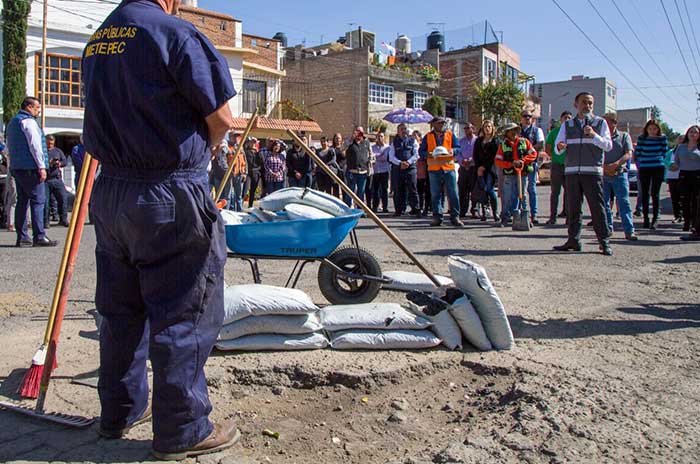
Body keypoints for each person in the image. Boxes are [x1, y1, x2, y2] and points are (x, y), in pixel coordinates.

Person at [81, 0, 239, 459]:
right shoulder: (175, 34)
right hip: (167, 189)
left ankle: (120, 412)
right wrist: (202, 158)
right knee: (183, 309)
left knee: (120, 310)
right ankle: (184, 429)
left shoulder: (99, 41)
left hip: (111, 192)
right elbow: (223, 117)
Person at [553, 92, 613, 256]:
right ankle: (573, 240)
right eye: (584, 102)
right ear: (576, 104)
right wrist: (560, 147)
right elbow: (557, 148)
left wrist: (594, 135)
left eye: (590, 103)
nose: (587, 106)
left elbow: (608, 146)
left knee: (597, 208)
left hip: (592, 172)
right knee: (573, 208)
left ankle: (604, 241)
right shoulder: (568, 125)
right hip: (572, 172)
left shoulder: (600, 123)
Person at [6, 97, 57, 247]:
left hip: (17, 168)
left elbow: (9, 148)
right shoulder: (28, 122)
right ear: (28, 107)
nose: (38, 110)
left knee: (22, 202)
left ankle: (22, 237)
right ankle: (39, 235)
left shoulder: (12, 123)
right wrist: (42, 167)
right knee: (38, 201)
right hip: (31, 168)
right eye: (37, 107)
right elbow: (36, 147)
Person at [419, 116, 463, 227]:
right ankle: (437, 217)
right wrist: (427, 154)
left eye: (443, 123)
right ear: (433, 124)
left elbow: (458, 148)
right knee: (435, 195)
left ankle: (455, 217)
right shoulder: (428, 136)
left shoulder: (450, 134)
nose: (442, 125)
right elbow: (421, 151)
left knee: (453, 194)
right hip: (434, 169)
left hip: (448, 168)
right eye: (439, 123)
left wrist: (453, 150)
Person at [602, 113, 637, 241]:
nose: (604, 125)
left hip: (620, 173)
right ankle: (608, 228)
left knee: (624, 202)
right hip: (603, 174)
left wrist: (615, 164)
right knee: (604, 203)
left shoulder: (623, 136)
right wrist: (605, 167)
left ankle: (629, 230)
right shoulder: (600, 137)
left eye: (607, 122)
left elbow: (628, 154)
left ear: (614, 123)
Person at [494, 122, 537, 226]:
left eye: (514, 130)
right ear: (507, 133)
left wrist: (523, 160)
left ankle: (526, 217)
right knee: (507, 196)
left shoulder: (525, 142)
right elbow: (498, 161)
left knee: (523, 195)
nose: (513, 132)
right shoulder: (503, 145)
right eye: (510, 131)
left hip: (522, 173)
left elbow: (534, 154)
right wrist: (510, 164)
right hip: (509, 174)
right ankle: (505, 218)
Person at [634, 120, 668, 229]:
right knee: (644, 193)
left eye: (655, 129)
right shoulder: (642, 138)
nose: (652, 131)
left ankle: (655, 218)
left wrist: (657, 159)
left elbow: (664, 151)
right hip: (645, 167)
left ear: (658, 129)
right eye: (650, 129)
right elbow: (638, 152)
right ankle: (646, 218)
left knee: (655, 193)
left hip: (658, 166)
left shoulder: (662, 138)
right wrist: (641, 162)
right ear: (646, 129)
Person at [671, 125, 700, 240]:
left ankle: (695, 224)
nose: (693, 134)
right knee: (685, 200)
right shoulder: (681, 147)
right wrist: (673, 166)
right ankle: (686, 222)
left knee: (696, 201)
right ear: (687, 134)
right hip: (684, 175)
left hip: (697, 175)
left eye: (696, 132)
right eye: (691, 132)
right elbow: (676, 162)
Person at [545, 111, 572, 224]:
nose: (567, 119)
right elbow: (548, 148)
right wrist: (555, 158)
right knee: (555, 192)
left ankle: (568, 216)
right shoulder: (554, 133)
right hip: (557, 165)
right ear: (560, 119)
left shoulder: (573, 133)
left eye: (569, 118)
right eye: (565, 117)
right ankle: (553, 217)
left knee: (570, 192)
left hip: (570, 166)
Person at [389, 123, 420, 216]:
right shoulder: (394, 142)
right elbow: (391, 156)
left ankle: (416, 209)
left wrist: (408, 162)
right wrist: (400, 163)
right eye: (401, 129)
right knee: (398, 189)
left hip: (410, 168)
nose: (403, 131)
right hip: (398, 169)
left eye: (405, 129)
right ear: (398, 132)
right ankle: (399, 210)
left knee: (413, 188)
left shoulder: (412, 141)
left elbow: (416, 154)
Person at [520, 110, 545, 224]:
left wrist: (527, 151)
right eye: (525, 116)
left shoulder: (537, 130)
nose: (527, 118)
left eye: (529, 116)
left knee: (532, 189)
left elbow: (540, 144)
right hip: (520, 165)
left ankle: (534, 214)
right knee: (522, 190)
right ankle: (524, 213)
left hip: (532, 163)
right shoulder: (517, 131)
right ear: (521, 118)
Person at [473, 119, 499, 222]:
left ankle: (495, 212)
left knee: (490, 190)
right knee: (482, 190)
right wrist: (479, 167)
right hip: (480, 169)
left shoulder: (495, 141)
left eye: (489, 126)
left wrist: (484, 167)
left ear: (492, 128)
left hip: (491, 169)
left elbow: (494, 156)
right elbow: (475, 155)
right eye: (485, 127)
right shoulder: (479, 141)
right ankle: (484, 213)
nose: (487, 128)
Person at [44, 135, 70, 227]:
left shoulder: (58, 151)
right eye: (48, 143)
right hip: (46, 180)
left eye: (51, 143)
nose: (50, 145)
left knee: (63, 198)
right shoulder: (42, 151)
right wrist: (48, 164)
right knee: (45, 202)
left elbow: (65, 162)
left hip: (57, 179)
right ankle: (45, 222)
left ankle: (63, 219)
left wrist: (59, 163)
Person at [343, 126, 370, 207]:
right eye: (357, 131)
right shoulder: (350, 142)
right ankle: (348, 208)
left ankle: (359, 209)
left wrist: (371, 161)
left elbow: (371, 153)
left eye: (360, 132)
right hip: (352, 171)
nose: (359, 134)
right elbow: (342, 148)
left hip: (363, 171)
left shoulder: (366, 143)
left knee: (361, 192)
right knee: (350, 191)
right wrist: (351, 139)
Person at [457, 123, 478, 219]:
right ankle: (462, 210)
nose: (466, 130)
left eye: (468, 128)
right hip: (463, 168)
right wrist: (462, 161)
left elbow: (479, 153)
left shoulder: (477, 141)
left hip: (474, 167)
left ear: (473, 129)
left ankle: (474, 210)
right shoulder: (461, 141)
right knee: (462, 190)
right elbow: (458, 153)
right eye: (465, 128)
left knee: (474, 190)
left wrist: (470, 160)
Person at [664, 136, 683, 224]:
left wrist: (678, 165)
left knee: (684, 198)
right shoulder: (671, 152)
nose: (680, 141)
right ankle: (677, 215)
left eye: (682, 140)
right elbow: (665, 161)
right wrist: (670, 165)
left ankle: (686, 215)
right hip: (672, 177)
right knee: (674, 198)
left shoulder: (687, 151)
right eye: (679, 139)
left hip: (683, 177)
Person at [371, 132, 390, 212]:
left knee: (384, 189)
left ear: (384, 137)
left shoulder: (387, 147)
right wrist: (379, 156)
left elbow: (385, 158)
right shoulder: (372, 147)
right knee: (375, 190)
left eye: (381, 136)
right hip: (375, 171)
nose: (379, 138)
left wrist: (377, 156)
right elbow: (372, 157)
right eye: (378, 136)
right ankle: (375, 206)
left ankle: (385, 207)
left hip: (384, 170)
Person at [227, 132, 247, 211]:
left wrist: (245, 173)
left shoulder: (240, 147)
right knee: (230, 196)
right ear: (230, 137)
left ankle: (239, 211)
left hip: (240, 174)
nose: (236, 138)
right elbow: (224, 161)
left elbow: (245, 161)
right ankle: (231, 211)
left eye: (237, 136)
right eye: (234, 136)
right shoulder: (227, 147)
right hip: (230, 175)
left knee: (239, 196)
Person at [414, 130, 430, 216]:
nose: (413, 137)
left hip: (425, 169)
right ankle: (419, 207)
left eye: (415, 136)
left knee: (427, 190)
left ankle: (426, 208)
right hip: (418, 170)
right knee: (419, 190)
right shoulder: (413, 145)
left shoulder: (422, 145)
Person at [244, 137, 263, 208]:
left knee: (253, 190)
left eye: (254, 142)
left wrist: (257, 152)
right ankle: (241, 206)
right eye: (251, 142)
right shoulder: (246, 151)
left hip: (256, 173)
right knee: (245, 190)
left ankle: (250, 205)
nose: (253, 144)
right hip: (248, 173)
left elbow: (261, 162)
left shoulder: (258, 153)